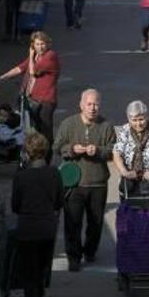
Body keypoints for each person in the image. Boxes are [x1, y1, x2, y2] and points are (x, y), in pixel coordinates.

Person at [53, 89, 116, 272]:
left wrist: (98, 151)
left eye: (96, 104)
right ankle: (74, 257)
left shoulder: (106, 126)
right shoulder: (68, 124)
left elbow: (113, 151)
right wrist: (72, 149)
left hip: (98, 182)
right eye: (89, 104)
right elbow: (57, 147)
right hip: (74, 184)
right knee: (73, 222)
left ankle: (90, 251)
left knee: (96, 222)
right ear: (81, 105)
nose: (92, 108)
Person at [11, 133, 63, 297]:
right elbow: (59, 202)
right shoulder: (54, 174)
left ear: (27, 152)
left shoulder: (21, 176)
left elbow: (15, 206)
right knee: (41, 270)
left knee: (28, 275)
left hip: (27, 229)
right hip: (47, 228)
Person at [0, 31, 60, 162]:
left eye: (43, 44)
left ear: (48, 44)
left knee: (45, 132)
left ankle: (46, 160)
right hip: (31, 99)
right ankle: (35, 157)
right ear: (33, 45)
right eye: (37, 44)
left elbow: (32, 71)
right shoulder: (36, 57)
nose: (40, 47)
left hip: (45, 101)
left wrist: (30, 55)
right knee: (31, 130)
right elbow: (20, 68)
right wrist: (1, 78)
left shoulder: (51, 56)